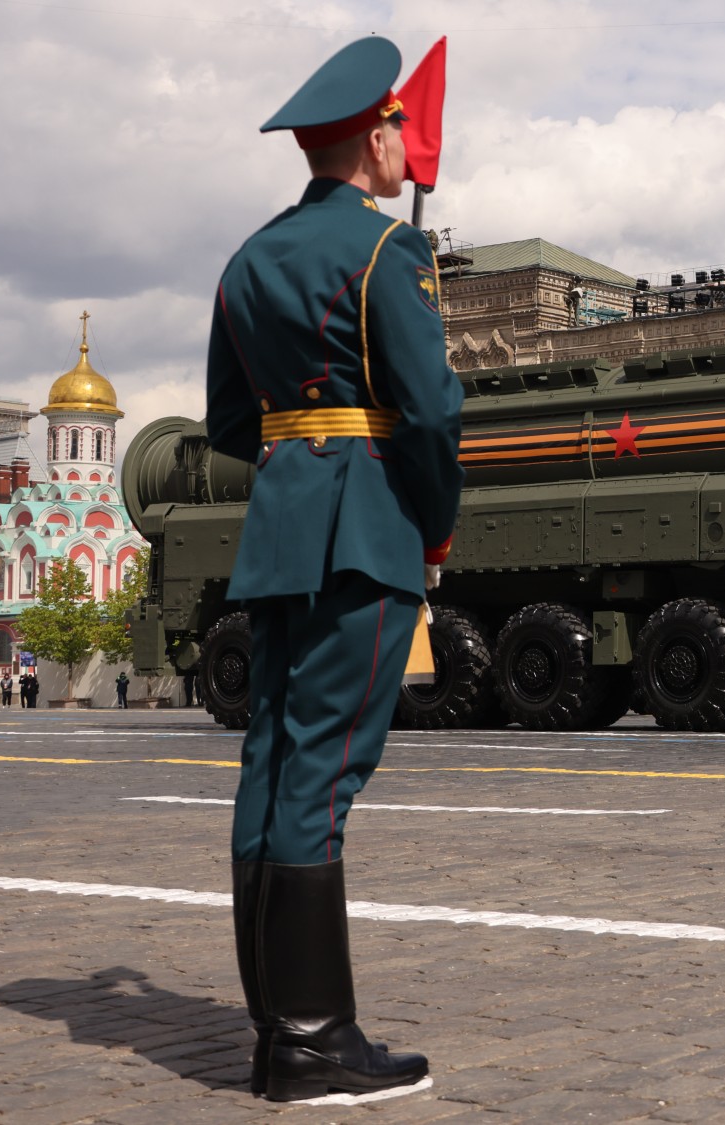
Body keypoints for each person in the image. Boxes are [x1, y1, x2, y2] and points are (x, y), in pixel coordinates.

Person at [206, 37, 461, 1103]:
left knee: (274, 764)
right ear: (372, 137)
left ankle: (280, 1026)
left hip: (281, 532)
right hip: (365, 527)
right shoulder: (387, 249)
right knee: (324, 773)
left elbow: (231, 421)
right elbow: (432, 411)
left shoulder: (248, 259)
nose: (408, 144)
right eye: (399, 126)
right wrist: (432, 528)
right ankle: (313, 1040)